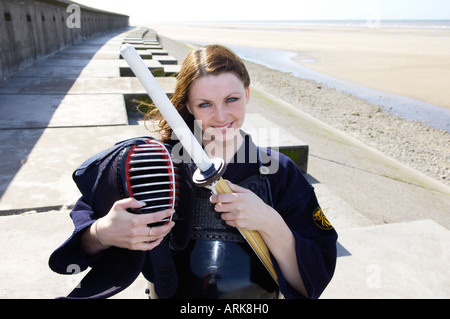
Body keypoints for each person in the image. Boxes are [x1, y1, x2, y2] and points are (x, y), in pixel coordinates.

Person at [49, 44, 337, 299]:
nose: (222, 116)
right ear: (187, 105)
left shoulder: (278, 172)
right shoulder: (153, 164)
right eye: (205, 104)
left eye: (232, 99)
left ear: (247, 94)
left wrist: (270, 223)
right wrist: (104, 233)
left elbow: (309, 284)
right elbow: (80, 246)